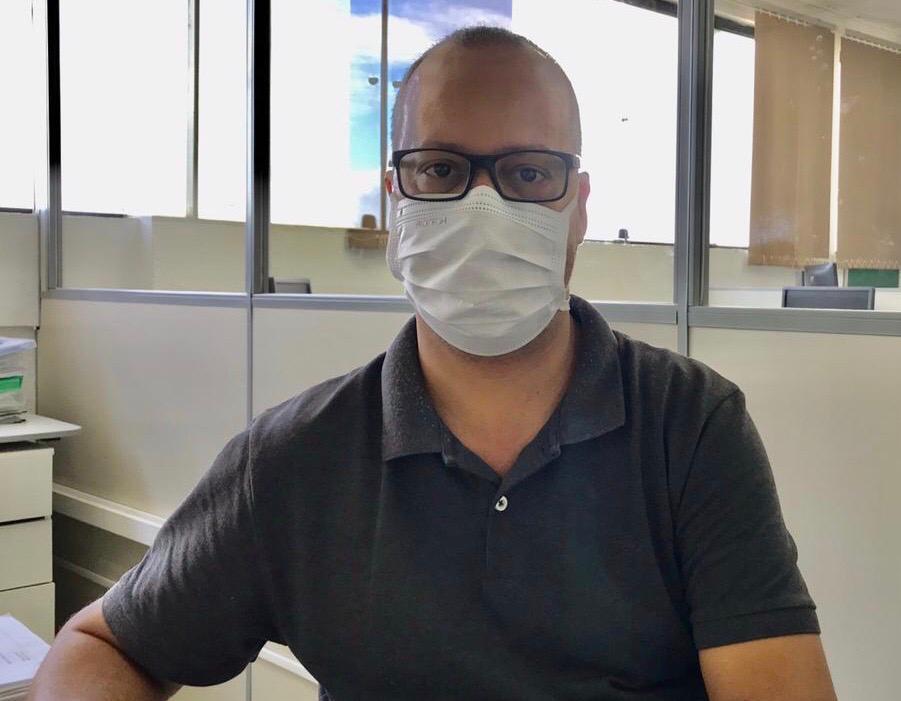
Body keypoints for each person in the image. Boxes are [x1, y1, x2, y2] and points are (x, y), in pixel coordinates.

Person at [29, 26, 837, 701]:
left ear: (578, 207)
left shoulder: (687, 425)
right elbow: (103, 644)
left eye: (528, 172)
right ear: (395, 200)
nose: (484, 208)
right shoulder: (293, 461)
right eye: (441, 169)